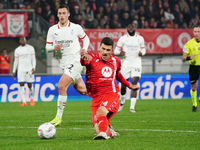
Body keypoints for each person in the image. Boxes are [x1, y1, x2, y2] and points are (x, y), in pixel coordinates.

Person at [80, 37, 140, 140]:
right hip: (96, 97)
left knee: (101, 111)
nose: (105, 52)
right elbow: (84, 62)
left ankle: (103, 134)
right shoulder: (91, 58)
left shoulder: (116, 60)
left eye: (108, 50)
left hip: (111, 94)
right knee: (98, 128)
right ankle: (108, 131)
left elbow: (117, 74)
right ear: (99, 47)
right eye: (103, 49)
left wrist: (129, 85)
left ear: (112, 51)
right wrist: (83, 58)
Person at [45, 4, 90, 126]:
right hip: (65, 65)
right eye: (59, 13)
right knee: (83, 90)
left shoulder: (75, 28)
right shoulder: (53, 30)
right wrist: (53, 47)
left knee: (61, 86)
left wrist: (84, 49)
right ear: (57, 14)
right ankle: (103, 96)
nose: (62, 16)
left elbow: (86, 39)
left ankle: (58, 118)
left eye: (64, 13)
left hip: (76, 62)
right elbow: (47, 47)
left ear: (68, 14)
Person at [114, 23, 146, 113]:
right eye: (129, 27)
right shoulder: (123, 39)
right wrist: (120, 52)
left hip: (136, 63)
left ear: (135, 28)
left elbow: (144, 50)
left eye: (132, 27)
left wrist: (142, 53)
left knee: (134, 83)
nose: (131, 28)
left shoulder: (140, 38)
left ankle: (132, 107)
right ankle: (122, 102)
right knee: (123, 84)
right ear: (127, 28)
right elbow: (116, 50)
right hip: (126, 64)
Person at [12, 37, 36, 106]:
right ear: (19, 41)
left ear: (26, 40)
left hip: (29, 69)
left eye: (23, 39)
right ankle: (24, 102)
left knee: (30, 85)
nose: (22, 41)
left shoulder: (31, 48)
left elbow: (33, 59)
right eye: (21, 40)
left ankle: (31, 99)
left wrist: (34, 67)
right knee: (21, 84)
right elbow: (15, 61)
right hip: (21, 70)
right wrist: (14, 71)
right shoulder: (17, 50)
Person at [182, 25, 200, 112]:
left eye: (198, 32)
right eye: (195, 32)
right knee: (194, 87)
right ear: (193, 33)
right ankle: (195, 104)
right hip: (194, 67)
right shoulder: (188, 44)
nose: (196, 34)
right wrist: (189, 58)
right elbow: (183, 57)